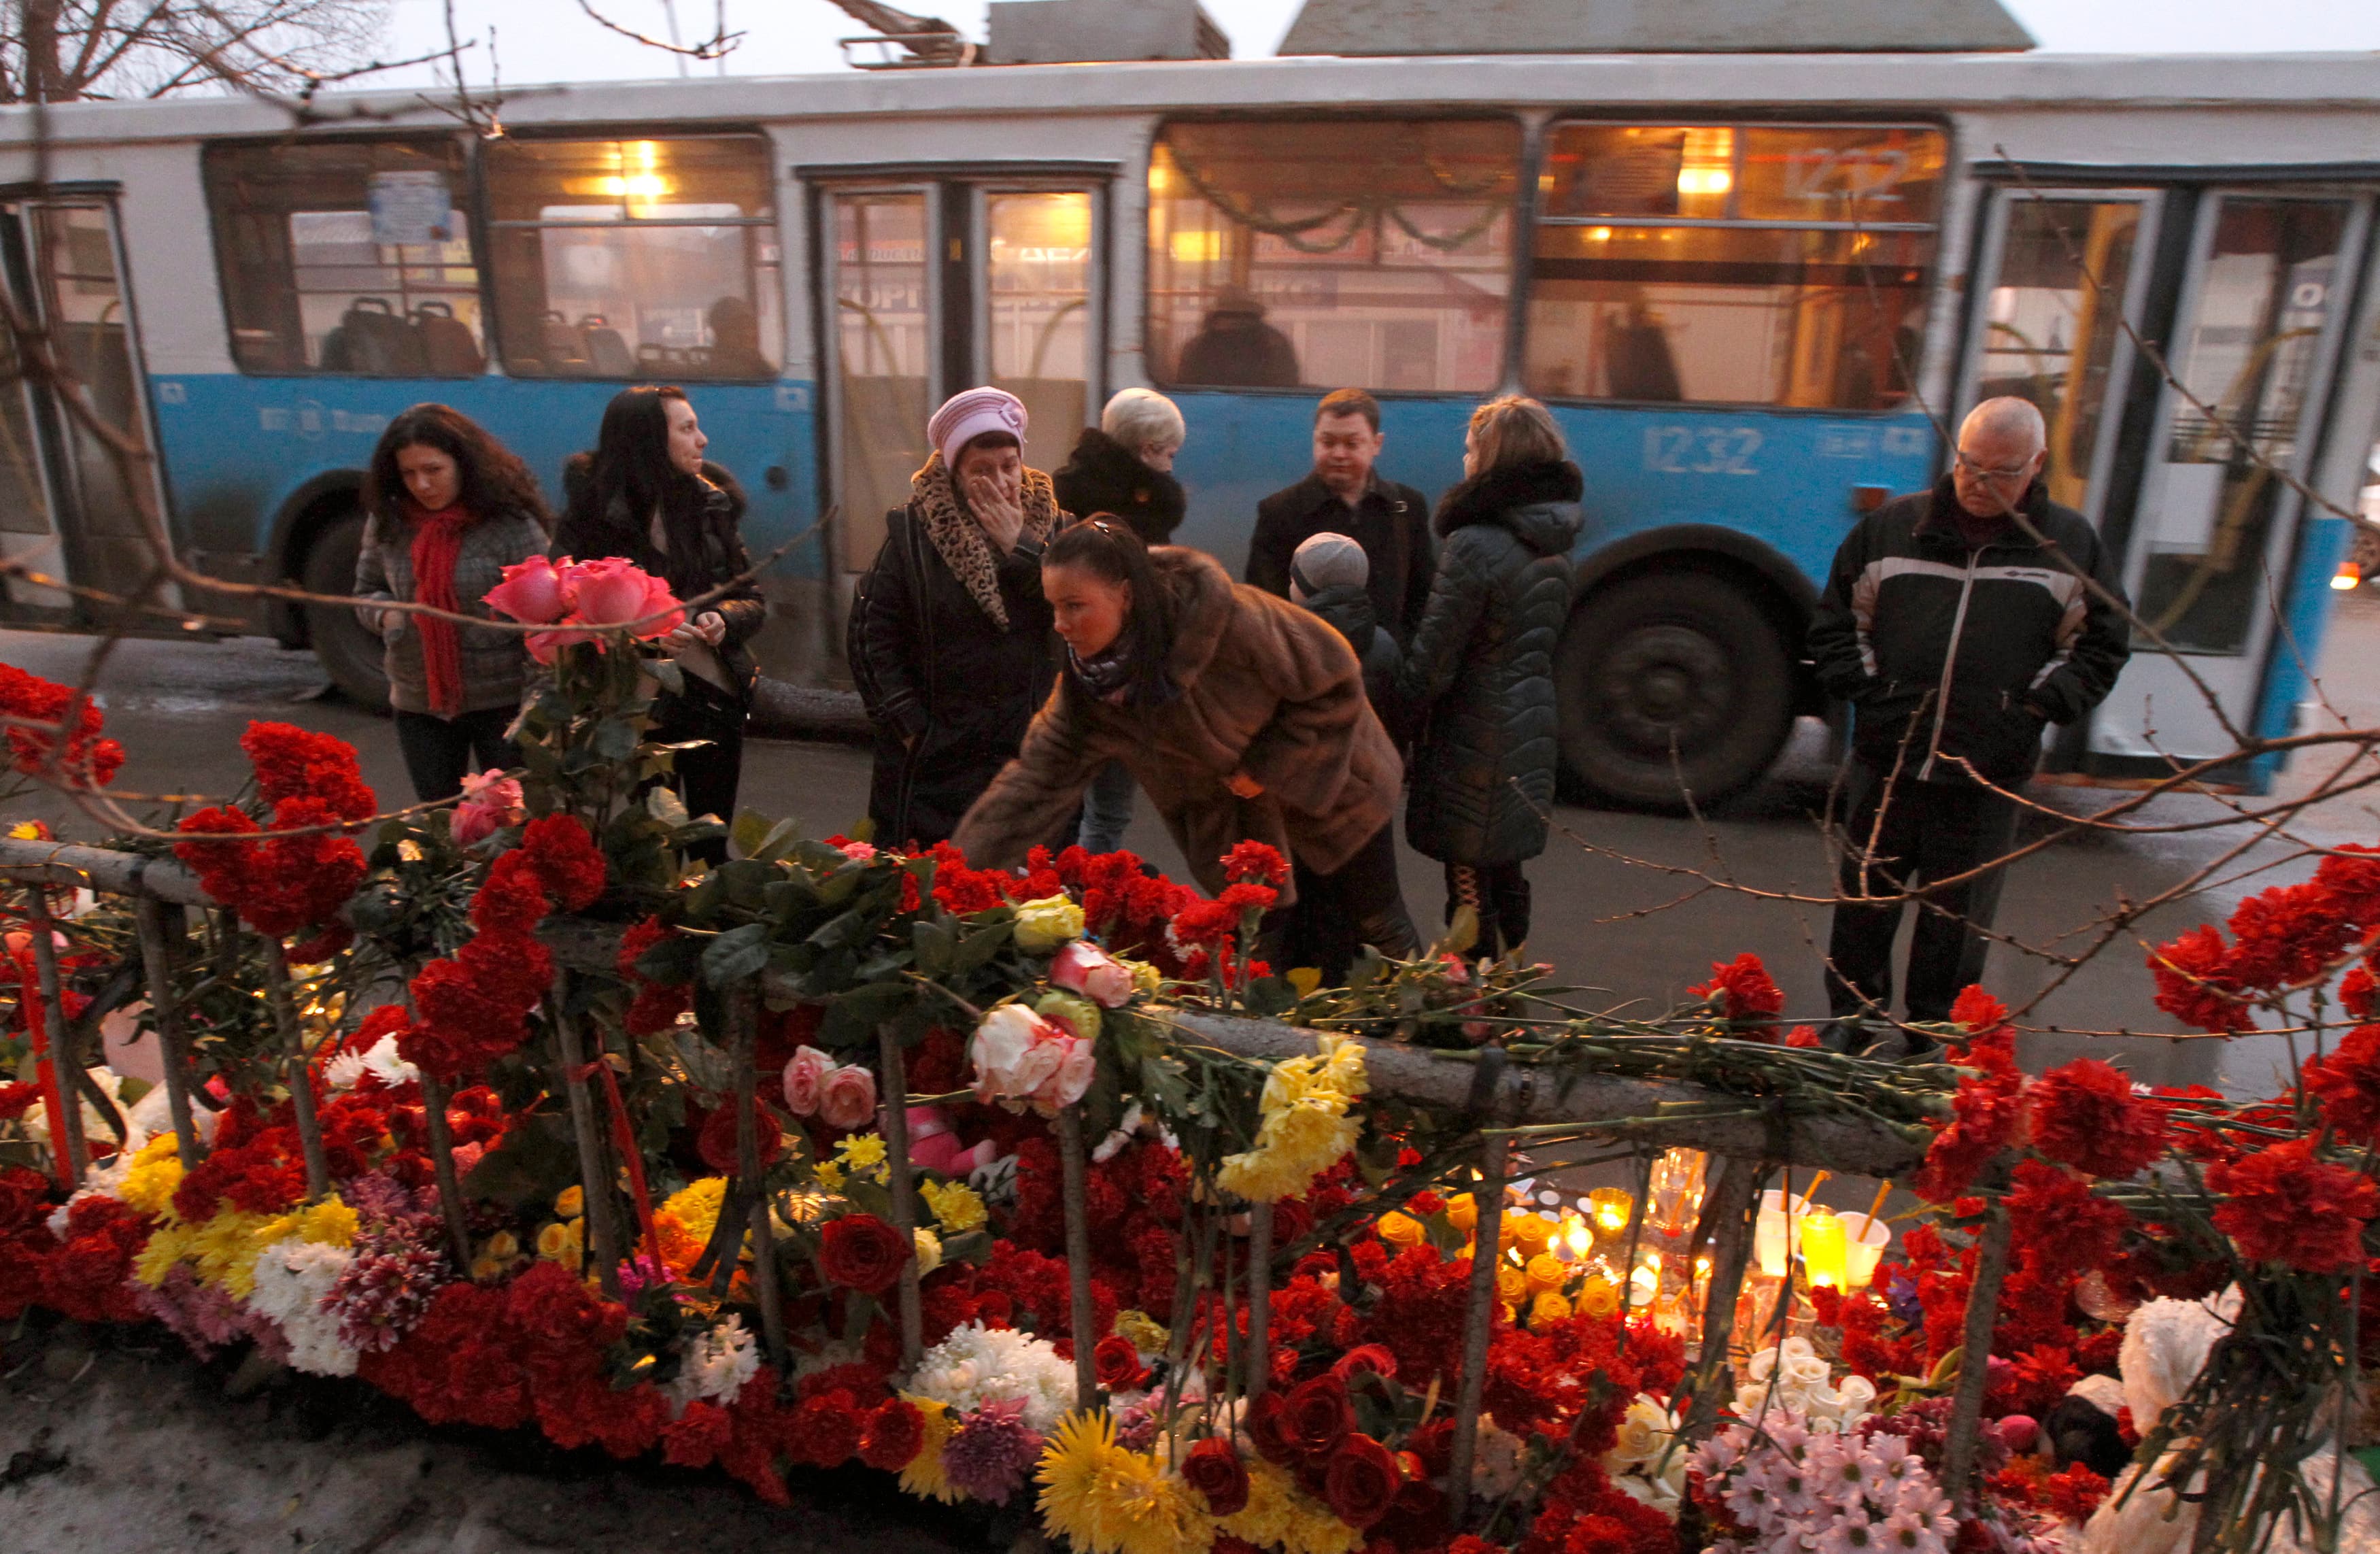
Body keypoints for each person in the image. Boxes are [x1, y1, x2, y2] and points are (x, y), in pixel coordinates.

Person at [1808, 396, 2132, 1045]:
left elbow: (2098, 646)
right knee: (1865, 903)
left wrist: (2033, 711)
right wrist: (1872, 697)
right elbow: (1837, 625)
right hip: (1888, 758)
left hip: (1988, 771)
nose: (1979, 485)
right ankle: (1852, 1023)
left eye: (2001, 472)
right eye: (1968, 465)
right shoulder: (1891, 528)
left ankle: (1933, 1039)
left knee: (1956, 921)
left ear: (2036, 464)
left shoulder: (2068, 546)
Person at [951, 519, 1418, 968]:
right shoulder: (1091, 688)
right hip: (1244, 828)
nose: (1060, 624)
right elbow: (1033, 783)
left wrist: (1268, 766)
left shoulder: (1228, 616)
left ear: (1126, 596)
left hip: (1338, 784)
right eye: (1054, 607)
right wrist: (957, 882)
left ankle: (1439, 1024)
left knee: (1376, 921)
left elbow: (1334, 674)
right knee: (1267, 945)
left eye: (1074, 605)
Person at [1394, 396, 1582, 961]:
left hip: (1474, 732)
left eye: (1472, 447)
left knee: (1469, 879)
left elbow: (1435, 659)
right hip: (1531, 722)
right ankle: (1508, 989)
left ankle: (1473, 1007)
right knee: (1507, 870)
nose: (1465, 455)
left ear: (1494, 457)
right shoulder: (1553, 545)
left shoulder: (1474, 544)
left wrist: (1394, 715)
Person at [849, 386, 1066, 848]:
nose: (1002, 481)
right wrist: (910, 727)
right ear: (953, 474)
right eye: (981, 471)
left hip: (1024, 759)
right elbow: (871, 635)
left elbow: (1069, 615)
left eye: (1009, 466)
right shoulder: (912, 534)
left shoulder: (1056, 529)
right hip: (937, 759)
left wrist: (1021, 548)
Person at [555, 386, 767, 857]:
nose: (703, 440)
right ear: (649, 438)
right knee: (653, 849)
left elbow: (751, 598)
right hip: (637, 702)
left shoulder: (712, 506)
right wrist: (637, 637)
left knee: (710, 842)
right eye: (687, 428)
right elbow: (565, 605)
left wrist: (722, 620)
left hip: (714, 694)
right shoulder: (591, 515)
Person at [353, 403, 551, 803]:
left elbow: (547, 617)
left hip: (503, 703)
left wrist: (538, 705)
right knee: (441, 827)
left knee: (513, 826)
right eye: (409, 474)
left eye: (433, 470)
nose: (422, 485)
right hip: (419, 700)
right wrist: (389, 615)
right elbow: (365, 590)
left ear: (463, 463)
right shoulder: (390, 521)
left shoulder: (509, 523)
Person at [1055, 388, 1189, 854]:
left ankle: (1055, 901)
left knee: (1065, 804)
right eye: (1169, 453)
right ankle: (1086, 909)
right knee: (1108, 811)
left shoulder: (1065, 491)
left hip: (1066, 671)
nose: (1172, 466)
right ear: (1149, 449)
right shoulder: (1145, 512)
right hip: (1119, 677)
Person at [1248, 388, 1434, 647]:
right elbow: (1264, 606)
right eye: (1328, 442)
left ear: (1376, 444)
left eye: (1351, 444)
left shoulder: (1406, 508)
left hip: (1387, 668)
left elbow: (1423, 598)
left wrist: (1402, 658)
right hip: (1312, 669)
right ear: (1315, 441)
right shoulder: (1280, 512)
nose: (1338, 454)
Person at [1288, 533, 1401, 734]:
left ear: (1308, 587)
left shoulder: (1287, 642)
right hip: (1363, 760)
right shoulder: (1386, 646)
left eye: (1294, 579)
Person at [1053, 388, 1187, 547]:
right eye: (1170, 455)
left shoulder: (1069, 486)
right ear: (1147, 450)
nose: (1169, 468)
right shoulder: (1149, 510)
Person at [1174, 286, 1298, 388]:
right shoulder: (1275, 343)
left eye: (1241, 316)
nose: (1235, 322)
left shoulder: (1274, 345)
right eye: (1229, 315)